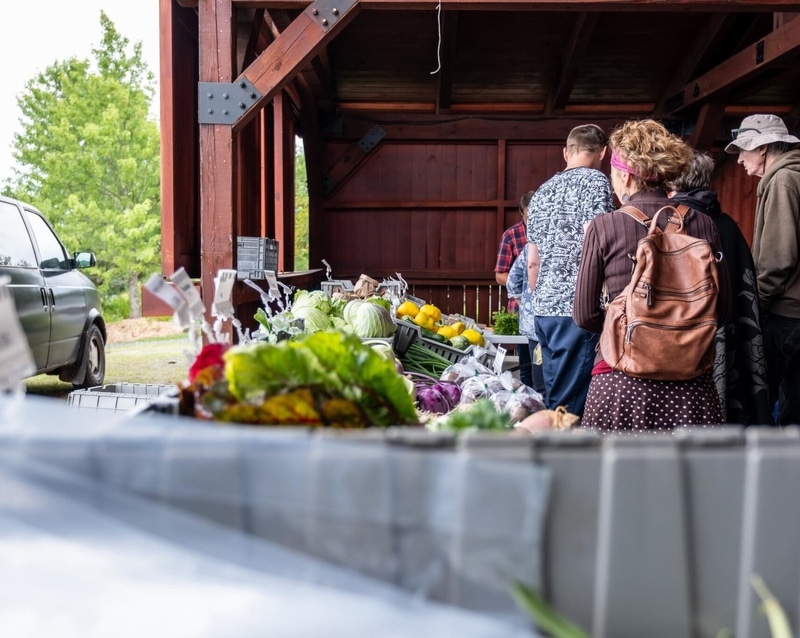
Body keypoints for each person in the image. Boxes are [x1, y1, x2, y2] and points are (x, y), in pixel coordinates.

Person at [573, 119, 731, 432]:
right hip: (691, 387)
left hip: (620, 383)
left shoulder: (604, 226)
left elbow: (584, 314)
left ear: (625, 175)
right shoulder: (703, 224)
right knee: (690, 481)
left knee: (615, 478)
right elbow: (722, 311)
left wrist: (628, 331)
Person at [667, 150, 771, 426]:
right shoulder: (726, 225)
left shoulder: (672, 223)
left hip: (682, 340)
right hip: (727, 335)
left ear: (673, 181)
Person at [527, 124, 614, 416]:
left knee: (554, 396)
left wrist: (539, 297)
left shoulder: (541, 191)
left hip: (544, 311)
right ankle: (564, 458)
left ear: (566, 152)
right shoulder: (596, 182)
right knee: (571, 405)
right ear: (603, 152)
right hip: (577, 308)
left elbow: (532, 260)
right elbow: (597, 236)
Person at [725, 114, 800, 426]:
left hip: (786, 315)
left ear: (764, 148)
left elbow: (778, 257)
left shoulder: (783, 180)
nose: (740, 158)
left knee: (774, 410)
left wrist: (755, 307)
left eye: (745, 149)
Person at [495, 191, 534, 387]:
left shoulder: (548, 233)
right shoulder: (511, 236)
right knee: (526, 363)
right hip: (520, 308)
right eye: (529, 213)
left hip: (543, 309)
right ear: (521, 212)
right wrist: (522, 282)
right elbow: (500, 274)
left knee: (542, 363)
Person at [506, 244, 546, 395]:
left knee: (540, 381)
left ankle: (541, 413)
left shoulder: (532, 246)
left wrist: (525, 306)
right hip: (566, 326)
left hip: (535, 325)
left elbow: (512, 281)